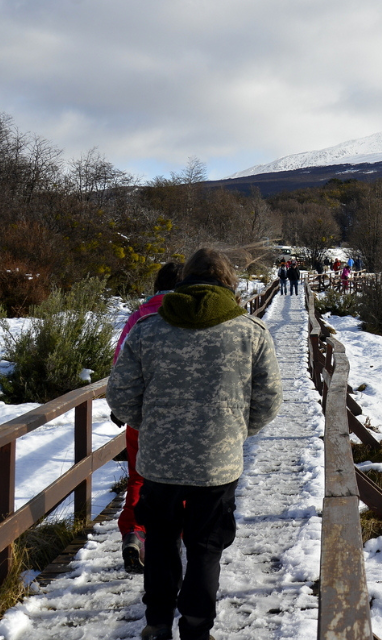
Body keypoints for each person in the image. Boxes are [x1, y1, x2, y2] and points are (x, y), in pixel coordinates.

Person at [109, 248, 282, 640]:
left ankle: (156, 624)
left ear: (183, 280)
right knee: (205, 547)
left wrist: (151, 427)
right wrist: (236, 432)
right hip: (218, 464)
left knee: (162, 539)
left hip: (158, 463)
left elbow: (120, 394)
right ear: (229, 282)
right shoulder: (250, 332)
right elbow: (270, 399)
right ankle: (196, 628)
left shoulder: (147, 328)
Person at [113, 261, 184, 575]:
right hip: (183, 413)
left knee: (140, 476)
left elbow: (120, 365)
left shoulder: (138, 317)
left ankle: (136, 532)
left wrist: (123, 406)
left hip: (142, 415)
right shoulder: (192, 316)